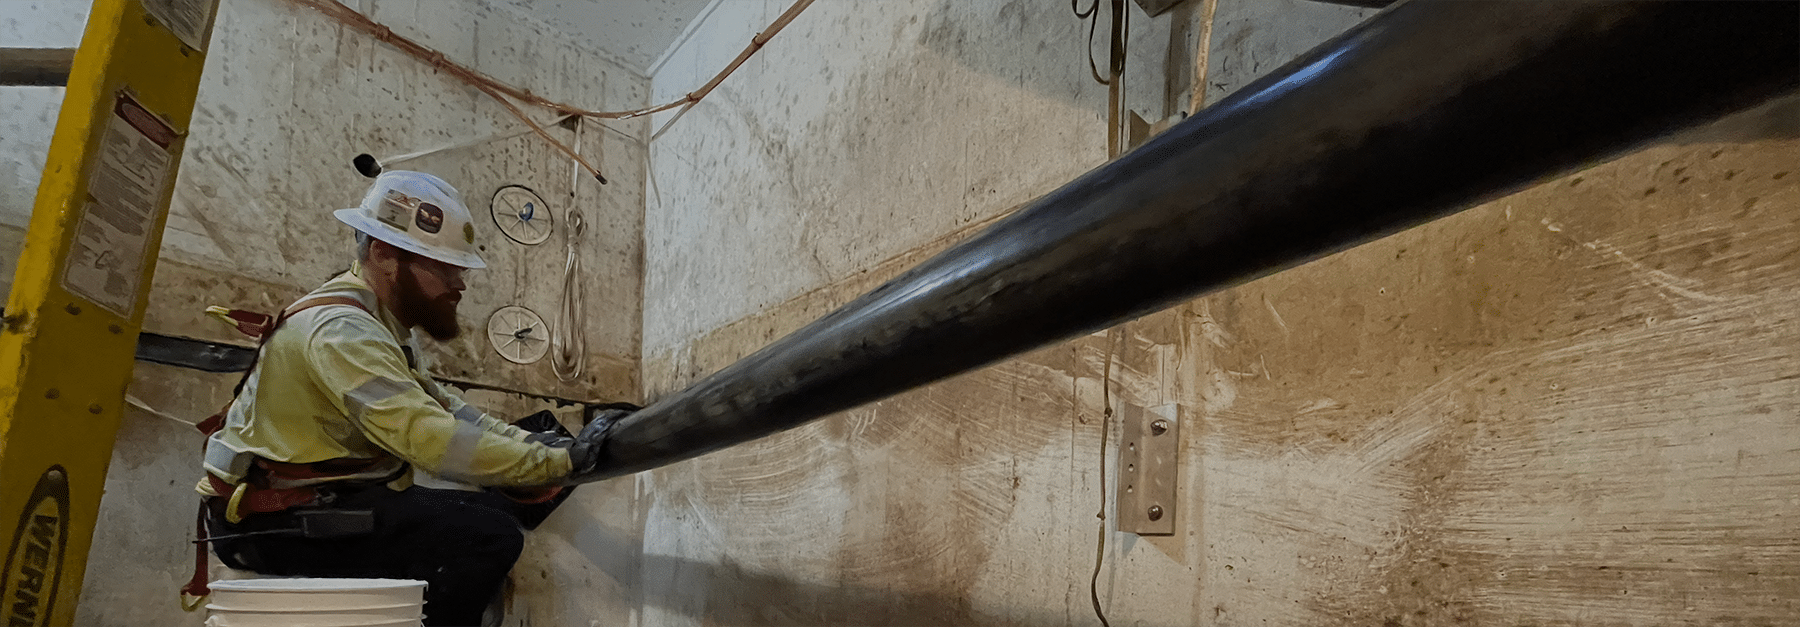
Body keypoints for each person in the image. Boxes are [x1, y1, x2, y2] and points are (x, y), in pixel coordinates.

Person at [194, 171, 612, 626]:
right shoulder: (342, 331)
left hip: (315, 503)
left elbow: (447, 408)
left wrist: (543, 450)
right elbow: (431, 440)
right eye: (445, 267)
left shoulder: (379, 324)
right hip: (270, 523)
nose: (460, 283)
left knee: (489, 512)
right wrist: (562, 464)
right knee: (486, 535)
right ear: (385, 255)